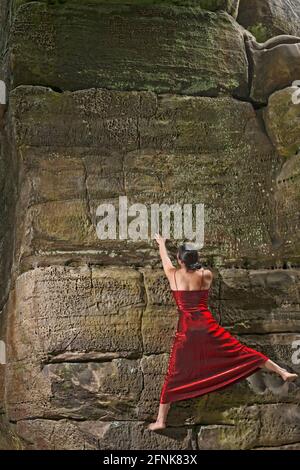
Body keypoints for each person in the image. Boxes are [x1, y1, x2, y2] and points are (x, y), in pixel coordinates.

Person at [147, 234, 298, 431]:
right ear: (195, 259)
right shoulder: (206, 275)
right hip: (208, 327)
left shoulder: (174, 275)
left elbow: (165, 262)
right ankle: (282, 372)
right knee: (241, 352)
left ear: (179, 260)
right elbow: (198, 269)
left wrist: (162, 244)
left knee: (173, 375)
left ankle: (161, 421)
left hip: (186, 331)